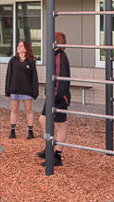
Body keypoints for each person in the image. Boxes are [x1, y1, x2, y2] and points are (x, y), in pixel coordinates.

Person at [38, 30, 71, 165]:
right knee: (43, 119)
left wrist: (55, 96)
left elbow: (62, 80)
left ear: (56, 42)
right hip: (53, 95)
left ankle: (57, 155)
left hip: (59, 97)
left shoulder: (60, 57)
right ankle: (50, 145)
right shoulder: (55, 55)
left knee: (60, 125)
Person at [4, 40, 39, 139]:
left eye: (21, 45)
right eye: (18, 45)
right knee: (14, 110)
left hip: (26, 90)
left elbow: (34, 78)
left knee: (28, 110)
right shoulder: (13, 61)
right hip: (14, 90)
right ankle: (12, 130)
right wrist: (7, 91)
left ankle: (30, 131)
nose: (18, 47)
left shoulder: (31, 62)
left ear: (26, 49)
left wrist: (35, 92)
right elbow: (8, 76)